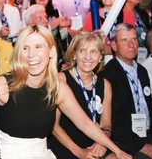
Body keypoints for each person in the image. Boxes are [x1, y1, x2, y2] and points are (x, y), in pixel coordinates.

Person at [0, 25, 131, 159]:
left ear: (51, 51)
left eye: (38, 47)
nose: (31, 54)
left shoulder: (57, 87)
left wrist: (117, 151)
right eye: (25, 48)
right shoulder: (5, 85)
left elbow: (85, 123)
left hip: (42, 154)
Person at [104, 23, 152, 158]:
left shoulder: (142, 70)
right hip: (125, 142)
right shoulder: (109, 74)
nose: (131, 44)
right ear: (114, 46)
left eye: (134, 39)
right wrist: (141, 146)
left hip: (146, 134)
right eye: (124, 40)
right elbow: (114, 120)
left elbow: (150, 106)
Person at [48, 30, 115, 158]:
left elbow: (106, 126)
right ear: (74, 54)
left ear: (101, 56)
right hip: (66, 145)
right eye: (82, 51)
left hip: (95, 144)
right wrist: (78, 151)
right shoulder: (61, 80)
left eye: (93, 52)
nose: (88, 57)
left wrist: (101, 142)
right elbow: (53, 126)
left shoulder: (105, 85)